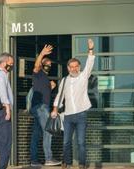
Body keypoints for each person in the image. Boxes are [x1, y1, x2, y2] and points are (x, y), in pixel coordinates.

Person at [51, 39, 95, 169]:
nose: (74, 69)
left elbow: (90, 64)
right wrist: (54, 109)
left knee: (81, 142)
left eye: (76, 66)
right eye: (72, 67)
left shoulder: (83, 76)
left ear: (79, 67)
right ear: (68, 68)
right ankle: (68, 163)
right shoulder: (64, 80)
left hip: (81, 114)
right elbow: (59, 96)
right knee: (66, 142)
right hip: (68, 116)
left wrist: (90, 50)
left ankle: (82, 164)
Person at [30, 45, 61, 166]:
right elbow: (36, 66)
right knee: (48, 131)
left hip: (40, 107)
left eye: (50, 64)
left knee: (37, 134)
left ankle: (34, 160)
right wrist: (42, 54)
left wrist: (51, 87)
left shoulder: (44, 78)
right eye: (46, 63)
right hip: (41, 107)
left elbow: (44, 92)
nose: (49, 65)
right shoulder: (38, 73)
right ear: (42, 64)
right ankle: (48, 158)